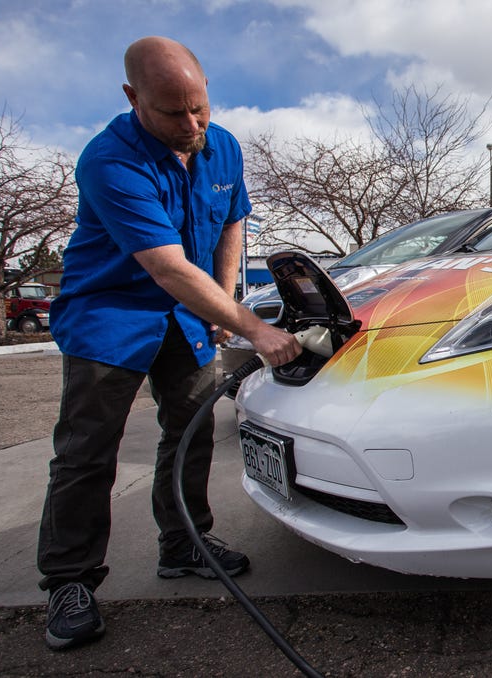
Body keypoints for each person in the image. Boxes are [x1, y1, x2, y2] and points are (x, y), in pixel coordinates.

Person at [38, 36, 301, 651]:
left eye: (199, 108)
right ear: (132, 97)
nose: (191, 125)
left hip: (189, 312)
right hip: (110, 312)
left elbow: (232, 221)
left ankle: (183, 543)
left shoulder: (222, 144)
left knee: (191, 431)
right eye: (172, 113)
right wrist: (254, 328)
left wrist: (224, 299)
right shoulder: (109, 160)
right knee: (87, 450)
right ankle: (69, 580)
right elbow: (166, 267)